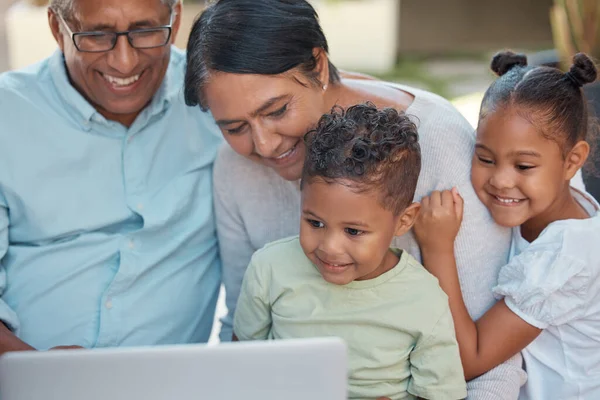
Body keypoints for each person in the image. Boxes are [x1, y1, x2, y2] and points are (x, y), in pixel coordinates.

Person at [184, 0, 525, 397]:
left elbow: (489, 365)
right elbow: (242, 336)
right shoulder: (235, 167)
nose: (264, 144)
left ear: (319, 65)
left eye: (276, 110)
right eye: (235, 126)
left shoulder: (435, 142)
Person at [0, 0, 222, 354]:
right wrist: (33, 371)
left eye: (145, 30)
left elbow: (315, 95)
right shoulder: (6, 113)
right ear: (58, 29)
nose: (125, 61)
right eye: (97, 36)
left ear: (176, 19)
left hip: (174, 383)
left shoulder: (217, 98)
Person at [233, 103, 467, 400]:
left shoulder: (424, 299)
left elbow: (441, 395)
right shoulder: (269, 269)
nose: (329, 247)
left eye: (353, 231)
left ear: (404, 220)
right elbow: (240, 364)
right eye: (315, 222)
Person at [414, 51, 600, 399]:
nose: (500, 180)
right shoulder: (561, 190)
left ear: (572, 161)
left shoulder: (563, 260)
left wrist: (437, 249)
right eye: (485, 158)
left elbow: (470, 359)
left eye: (523, 167)